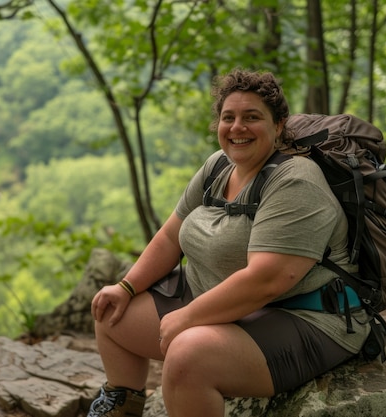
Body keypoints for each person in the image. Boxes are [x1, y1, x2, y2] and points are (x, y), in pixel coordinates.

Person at [87, 68, 370, 417]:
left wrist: (187, 317)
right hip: (222, 301)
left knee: (187, 356)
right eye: (229, 117)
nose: (237, 127)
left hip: (304, 315)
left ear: (278, 125)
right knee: (110, 311)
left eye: (252, 117)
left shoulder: (296, 182)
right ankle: (121, 406)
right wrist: (126, 287)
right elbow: (170, 235)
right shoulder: (217, 167)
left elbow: (267, 280)